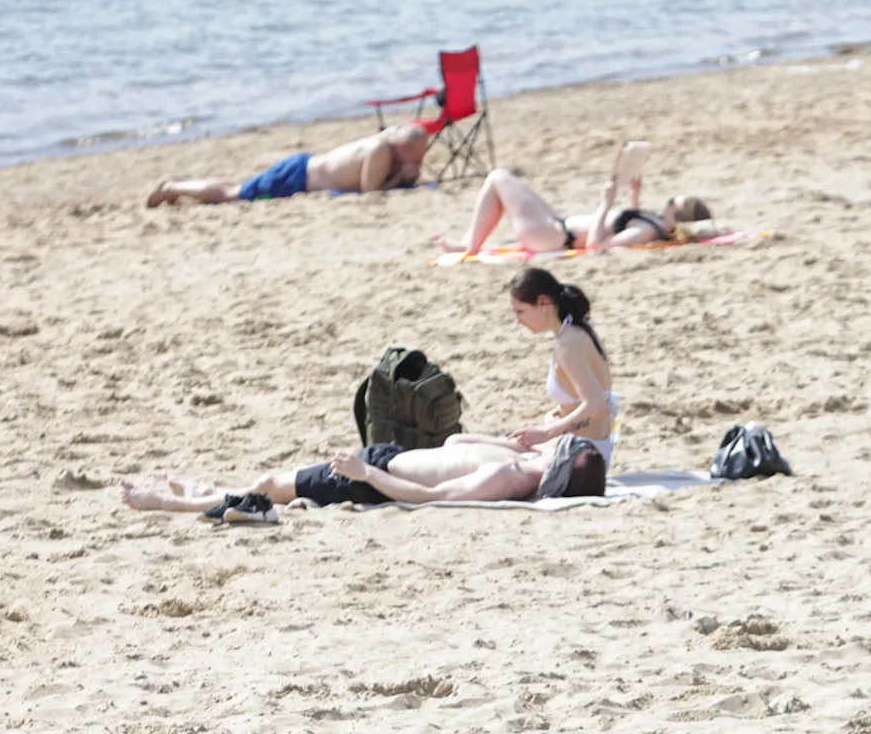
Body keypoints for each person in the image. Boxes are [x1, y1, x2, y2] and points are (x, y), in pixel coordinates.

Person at [117, 434, 608, 514]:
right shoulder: (518, 462)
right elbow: (456, 445)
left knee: (270, 486)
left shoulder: (508, 481)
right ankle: (209, 491)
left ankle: (173, 503)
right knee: (276, 484)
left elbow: (426, 497)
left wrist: (365, 474)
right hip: (387, 454)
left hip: (371, 475)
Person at [438, 167, 713, 256]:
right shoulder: (652, 222)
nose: (666, 203)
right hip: (556, 226)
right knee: (505, 183)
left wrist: (605, 204)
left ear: (678, 218)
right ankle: (469, 242)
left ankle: (469, 245)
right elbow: (626, 220)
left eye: (672, 203)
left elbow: (597, 245)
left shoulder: (648, 230)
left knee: (498, 178)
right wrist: (633, 195)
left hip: (553, 236)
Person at [502, 267, 622, 466]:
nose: (517, 321)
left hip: (581, 454)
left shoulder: (568, 345)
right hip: (586, 445)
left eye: (520, 311)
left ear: (543, 303)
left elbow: (596, 405)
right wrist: (559, 414)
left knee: (464, 444)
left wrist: (549, 431)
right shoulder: (578, 329)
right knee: (463, 441)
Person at [146, 124, 433, 207]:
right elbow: (371, 192)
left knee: (236, 189)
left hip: (304, 170)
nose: (418, 163)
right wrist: (400, 180)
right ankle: (172, 186)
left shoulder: (391, 143)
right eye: (416, 157)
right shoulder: (380, 149)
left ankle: (177, 186)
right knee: (234, 194)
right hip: (296, 178)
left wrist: (405, 175)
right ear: (403, 147)